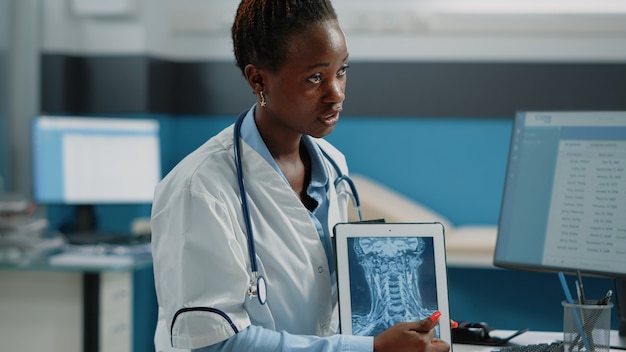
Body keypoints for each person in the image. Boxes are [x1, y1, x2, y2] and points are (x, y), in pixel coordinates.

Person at [151, 1, 452, 352]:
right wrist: (370, 350)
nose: (336, 93)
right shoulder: (201, 188)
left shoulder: (333, 166)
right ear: (258, 79)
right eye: (315, 78)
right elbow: (213, 344)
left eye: (342, 71)